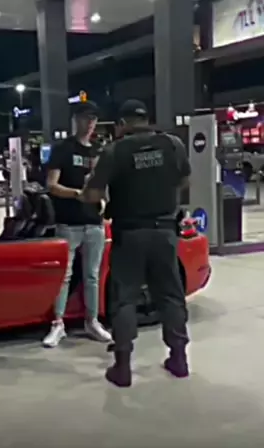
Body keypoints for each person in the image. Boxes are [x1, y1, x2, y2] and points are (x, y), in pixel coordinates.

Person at [81, 99, 191, 388]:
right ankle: (179, 359)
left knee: (125, 298)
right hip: (165, 231)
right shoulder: (172, 144)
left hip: (130, 234)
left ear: (121, 124)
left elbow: (92, 195)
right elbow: (184, 180)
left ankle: (122, 367)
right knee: (170, 295)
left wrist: (93, 189)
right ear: (146, 119)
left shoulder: (115, 150)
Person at [43, 100, 111, 348]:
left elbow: (104, 185)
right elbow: (51, 185)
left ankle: (91, 321)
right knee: (64, 276)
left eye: (93, 119)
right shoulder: (62, 149)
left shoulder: (99, 151)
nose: (90, 123)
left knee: (92, 276)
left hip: (94, 223)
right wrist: (77, 194)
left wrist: (105, 204)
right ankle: (58, 324)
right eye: (85, 118)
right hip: (68, 223)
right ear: (76, 120)